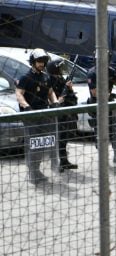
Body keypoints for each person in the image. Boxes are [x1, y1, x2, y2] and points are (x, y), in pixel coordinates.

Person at [15, 48, 62, 184]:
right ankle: (33, 173)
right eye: (39, 61)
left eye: (43, 61)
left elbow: (50, 92)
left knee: (43, 144)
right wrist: (26, 106)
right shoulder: (25, 77)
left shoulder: (45, 77)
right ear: (33, 62)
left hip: (45, 115)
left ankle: (37, 170)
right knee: (33, 144)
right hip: (31, 116)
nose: (42, 64)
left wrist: (54, 102)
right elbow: (19, 94)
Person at [46, 57, 79, 172]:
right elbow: (46, 97)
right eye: (59, 68)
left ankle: (64, 161)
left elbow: (73, 98)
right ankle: (55, 164)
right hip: (56, 115)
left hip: (66, 115)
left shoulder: (62, 79)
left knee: (64, 139)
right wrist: (57, 101)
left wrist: (70, 88)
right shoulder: (48, 80)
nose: (61, 70)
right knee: (57, 140)